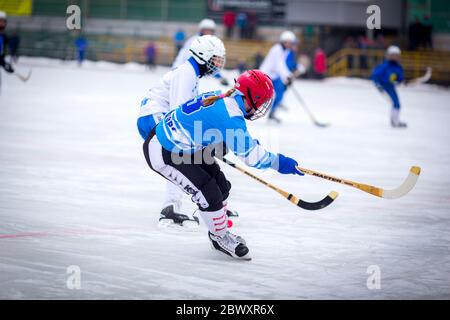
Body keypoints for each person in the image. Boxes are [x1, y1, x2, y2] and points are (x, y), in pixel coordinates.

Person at [142, 70, 303, 260]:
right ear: (252, 98)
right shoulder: (231, 118)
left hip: (183, 146)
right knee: (208, 194)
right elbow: (252, 158)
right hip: (164, 151)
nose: (261, 107)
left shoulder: (225, 98)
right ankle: (220, 237)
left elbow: (210, 127)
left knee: (222, 185)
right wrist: (281, 163)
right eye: (261, 102)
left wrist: (226, 143)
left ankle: (217, 228)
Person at [137, 35, 236, 227]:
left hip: (158, 116)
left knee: (184, 158)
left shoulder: (192, 73)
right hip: (153, 117)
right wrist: (205, 143)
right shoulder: (187, 73)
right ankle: (173, 207)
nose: (218, 64)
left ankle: (210, 202)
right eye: (215, 59)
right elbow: (180, 113)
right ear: (203, 55)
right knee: (178, 157)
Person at [259, 30, 304, 123]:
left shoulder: (286, 50)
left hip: (275, 76)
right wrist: (288, 76)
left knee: (280, 93)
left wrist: (287, 76)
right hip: (266, 75)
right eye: (291, 43)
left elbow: (283, 65)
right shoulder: (277, 49)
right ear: (285, 41)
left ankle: (272, 113)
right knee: (260, 95)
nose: (292, 44)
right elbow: (279, 65)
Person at [172, 18, 229, 86]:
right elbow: (187, 58)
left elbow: (211, 64)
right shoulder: (194, 41)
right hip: (183, 72)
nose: (208, 32)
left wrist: (219, 77)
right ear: (201, 30)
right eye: (206, 30)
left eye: (210, 30)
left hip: (198, 73)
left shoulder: (212, 42)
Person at [371, 45, 407, 128]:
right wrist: (378, 86)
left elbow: (399, 78)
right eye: (392, 55)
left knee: (397, 103)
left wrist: (402, 81)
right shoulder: (384, 66)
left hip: (391, 87)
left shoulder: (398, 67)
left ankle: (395, 121)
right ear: (388, 55)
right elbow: (374, 76)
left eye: (396, 55)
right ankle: (395, 121)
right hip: (384, 87)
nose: (394, 57)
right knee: (395, 103)